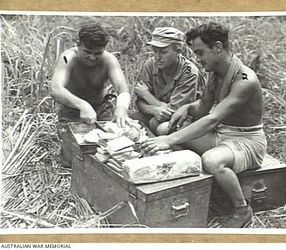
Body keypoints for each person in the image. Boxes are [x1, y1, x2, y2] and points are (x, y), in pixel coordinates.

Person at [140, 22, 267, 228]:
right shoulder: (216, 73)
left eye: (200, 53)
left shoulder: (245, 78)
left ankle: (242, 210)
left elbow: (212, 119)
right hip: (223, 134)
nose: (198, 60)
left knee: (211, 160)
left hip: (247, 140)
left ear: (218, 47)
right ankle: (200, 190)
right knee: (165, 128)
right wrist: (188, 108)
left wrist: (169, 140)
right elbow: (203, 109)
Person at [50, 21, 131, 167]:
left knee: (112, 153)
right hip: (71, 112)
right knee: (73, 161)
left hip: (101, 110)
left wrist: (121, 108)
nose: (92, 58)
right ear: (78, 44)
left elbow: (123, 89)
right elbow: (56, 89)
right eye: (87, 52)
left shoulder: (109, 60)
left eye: (97, 53)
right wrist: (82, 105)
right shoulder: (67, 58)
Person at [132, 27, 205, 135]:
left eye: (163, 52)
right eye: (155, 51)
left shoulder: (189, 72)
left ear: (178, 51)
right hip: (154, 114)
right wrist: (153, 110)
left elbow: (174, 112)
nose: (157, 57)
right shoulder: (151, 64)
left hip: (184, 121)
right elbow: (139, 102)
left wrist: (146, 95)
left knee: (158, 125)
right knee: (131, 121)